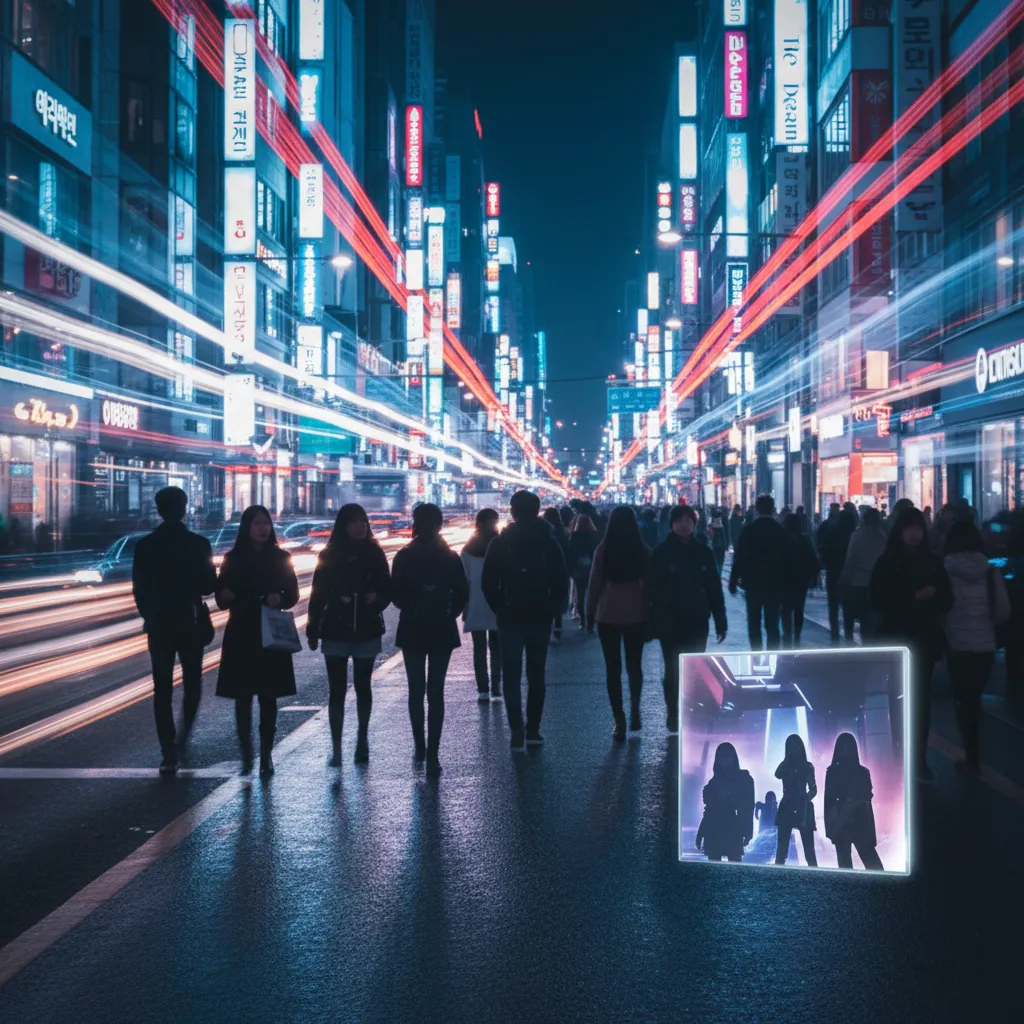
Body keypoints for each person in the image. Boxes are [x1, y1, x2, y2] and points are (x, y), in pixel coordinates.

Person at [132, 486, 217, 774]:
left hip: (160, 625)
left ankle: (168, 749)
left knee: (162, 688)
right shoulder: (198, 544)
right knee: (192, 683)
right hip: (191, 621)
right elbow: (208, 586)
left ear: (159, 510)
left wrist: (152, 614)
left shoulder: (145, 546)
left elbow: (139, 589)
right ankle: (182, 739)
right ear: (184, 508)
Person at [870, 507, 953, 783]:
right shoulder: (887, 561)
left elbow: (948, 600)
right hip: (896, 640)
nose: (914, 533)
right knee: (898, 700)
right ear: (899, 531)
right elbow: (878, 599)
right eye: (908, 528)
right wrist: (915, 597)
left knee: (920, 703)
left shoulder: (932, 561)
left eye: (918, 527)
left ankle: (917, 759)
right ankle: (900, 756)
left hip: (923, 641)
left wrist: (931, 598)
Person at [215, 506, 300, 777]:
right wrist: (225, 595)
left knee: (268, 695)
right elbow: (219, 597)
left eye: (267, 523)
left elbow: (293, 594)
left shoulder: (281, 557)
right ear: (247, 527)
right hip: (241, 629)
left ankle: (265, 753)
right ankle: (246, 752)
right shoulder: (232, 558)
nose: (263, 528)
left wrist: (280, 599)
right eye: (257, 524)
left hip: (269, 630)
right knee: (242, 696)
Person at [482, 490, 569, 750]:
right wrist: (553, 608)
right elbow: (561, 579)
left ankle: (516, 729)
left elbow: (488, 582)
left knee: (511, 674)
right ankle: (533, 729)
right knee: (536, 673)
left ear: (513, 511)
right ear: (537, 510)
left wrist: (499, 605)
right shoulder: (549, 540)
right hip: (539, 615)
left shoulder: (500, 542)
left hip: (509, 616)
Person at [307, 503, 391, 766]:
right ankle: (336, 746)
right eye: (354, 521)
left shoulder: (375, 553)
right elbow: (317, 593)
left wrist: (376, 599)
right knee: (336, 690)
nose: (360, 526)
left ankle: (362, 739)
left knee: (363, 686)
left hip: (365, 627)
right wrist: (312, 627)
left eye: (363, 521)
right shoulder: (329, 554)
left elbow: (387, 590)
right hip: (335, 628)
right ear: (344, 525)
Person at [391, 504, 469, 776]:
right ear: (439, 525)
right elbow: (462, 592)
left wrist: (414, 602)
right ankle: (434, 753)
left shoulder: (404, 555)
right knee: (436, 691)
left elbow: (396, 595)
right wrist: (449, 611)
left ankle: (420, 746)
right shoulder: (449, 556)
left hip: (412, 624)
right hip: (441, 626)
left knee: (416, 690)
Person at [649, 505, 727, 731]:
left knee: (693, 668)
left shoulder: (703, 551)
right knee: (672, 668)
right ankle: (673, 712)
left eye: (688, 520)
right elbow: (652, 589)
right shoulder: (662, 553)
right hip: (670, 622)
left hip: (697, 620)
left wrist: (720, 622)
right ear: (672, 524)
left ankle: (689, 709)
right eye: (679, 520)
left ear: (694, 523)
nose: (684, 524)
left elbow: (714, 589)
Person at [942, 520, 1010, 773]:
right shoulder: (990, 571)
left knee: (963, 698)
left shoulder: (945, 570)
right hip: (985, 646)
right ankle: (976, 751)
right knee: (975, 697)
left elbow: (941, 609)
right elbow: (1003, 611)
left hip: (957, 643)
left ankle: (971, 754)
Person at [587, 506, 651, 739]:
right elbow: (652, 584)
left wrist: (589, 613)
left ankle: (619, 720)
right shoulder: (642, 551)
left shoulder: (603, 550)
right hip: (637, 614)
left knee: (612, 669)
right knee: (635, 664)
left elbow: (594, 584)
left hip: (608, 615)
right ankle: (635, 707)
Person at [729, 494, 796, 650]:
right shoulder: (781, 532)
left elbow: (739, 557)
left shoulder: (748, 531)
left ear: (757, 510)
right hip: (775, 585)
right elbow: (790, 560)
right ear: (772, 510)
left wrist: (733, 580)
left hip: (753, 584)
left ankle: (757, 656)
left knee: (754, 623)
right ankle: (773, 656)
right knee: (772, 624)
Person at [824, 733, 883, 870]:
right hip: (842, 821)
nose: (845, 750)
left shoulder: (862, 772)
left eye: (848, 747)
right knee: (845, 866)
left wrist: (858, 801)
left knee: (872, 864)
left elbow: (868, 797)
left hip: (859, 821)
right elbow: (829, 800)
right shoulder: (832, 772)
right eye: (842, 747)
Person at [461, 508, 502, 700]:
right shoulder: (500, 545)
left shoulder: (469, 549)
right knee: (495, 647)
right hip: (495, 602)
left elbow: (463, 580)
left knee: (481, 648)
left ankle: (485, 689)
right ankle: (493, 687)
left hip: (477, 602)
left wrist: (465, 605)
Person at [695, 742, 755, 862]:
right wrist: (701, 831)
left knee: (735, 869)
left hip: (733, 829)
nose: (725, 760)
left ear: (734, 757)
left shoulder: (744, 779)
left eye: (728, 756)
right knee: (715, 870)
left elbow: (748, 807)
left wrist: (748, 830)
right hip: (714, 829)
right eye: (722, 756)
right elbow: (709, 810)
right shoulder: (713, 783)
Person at [839, 507, 887, 643]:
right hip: (875, 585)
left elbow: (851, 560)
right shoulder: (883, 537)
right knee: (869, 622)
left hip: (856, 583)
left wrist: (843, 579)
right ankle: (867, 647)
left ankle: (849, 644)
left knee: (849, 617)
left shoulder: (857, 536)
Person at [774, 734, 818, 867]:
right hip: (787, 805)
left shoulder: (807, 766)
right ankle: (777, 875)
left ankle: (814, 876)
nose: (794, 748)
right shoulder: (785, 765)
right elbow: (777, 774)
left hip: (803, 806)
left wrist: (805, 799)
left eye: (796, 745)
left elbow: (813, 788)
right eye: (791, 745)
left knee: (809, 849)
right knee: (781, 849)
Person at [817, 503, 857, 643]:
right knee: (849, 607)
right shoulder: (854, 535)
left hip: (834, 572)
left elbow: (824, 550)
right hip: (851, 575)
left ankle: (834, 634)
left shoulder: (832, 533)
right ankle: (849, 635)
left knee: (833, 605)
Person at [780, 513, 819, 647]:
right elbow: (813, 559)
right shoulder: (805, 540)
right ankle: (796, 636)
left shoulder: (783, 540)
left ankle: (787, 635)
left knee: (785, 609)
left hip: (785, 579)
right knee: (799, 608)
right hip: (801, 579)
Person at [543, 507, 571, 645]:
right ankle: (558, 627)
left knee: (547, 600)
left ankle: (547, 628)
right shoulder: (562, 532)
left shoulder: (543, 532)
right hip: (561, 569)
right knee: (558, 601)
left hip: (545, 571)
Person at [568, 513, 599, 629]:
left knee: (580, 595)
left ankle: (582, 620)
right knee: (593, 594)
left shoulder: (574, 537)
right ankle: (592, 619)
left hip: (578, 570)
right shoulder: (595, 537)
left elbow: (571, 553)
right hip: (592, 569)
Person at [708, 507, 728, 574]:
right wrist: (726, 545)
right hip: (721, 546)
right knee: (721, 561)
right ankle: (720, 572)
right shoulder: (721, 527)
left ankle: (717, 573)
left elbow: (710, 537)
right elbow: (724, 537)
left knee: (716, 561)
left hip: (715, 545)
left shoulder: (712, 526)